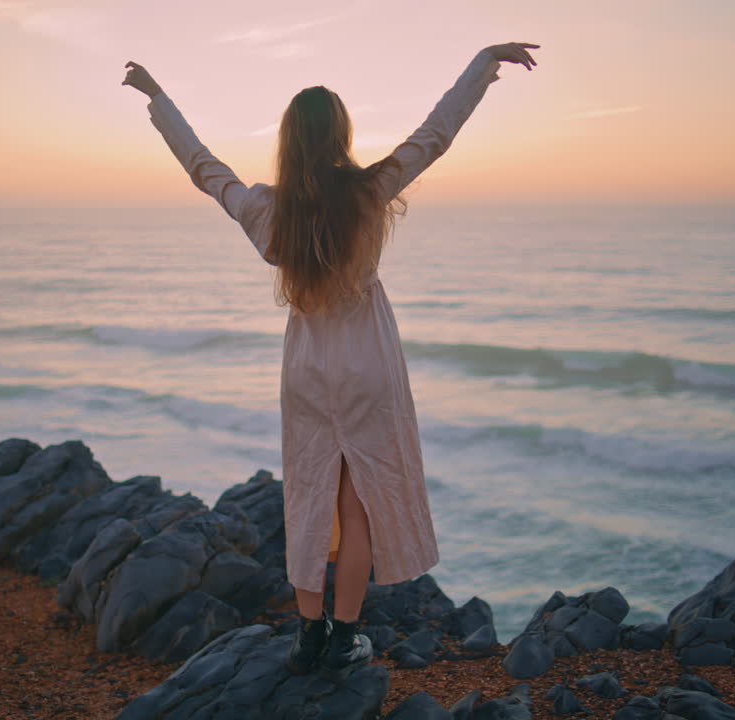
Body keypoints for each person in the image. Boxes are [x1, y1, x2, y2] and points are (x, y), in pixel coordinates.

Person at [123, 40, 539, 681]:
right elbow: (436, 134)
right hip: (368, 365)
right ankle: (345, 636)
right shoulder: (370, 192)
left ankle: (307, 636)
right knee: (356, 505)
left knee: (309, 494)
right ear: (341, 133)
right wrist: (483, 64)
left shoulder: (268, 209)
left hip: (308, 372)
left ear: (287, 141)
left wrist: (159, 102)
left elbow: (205, 170)